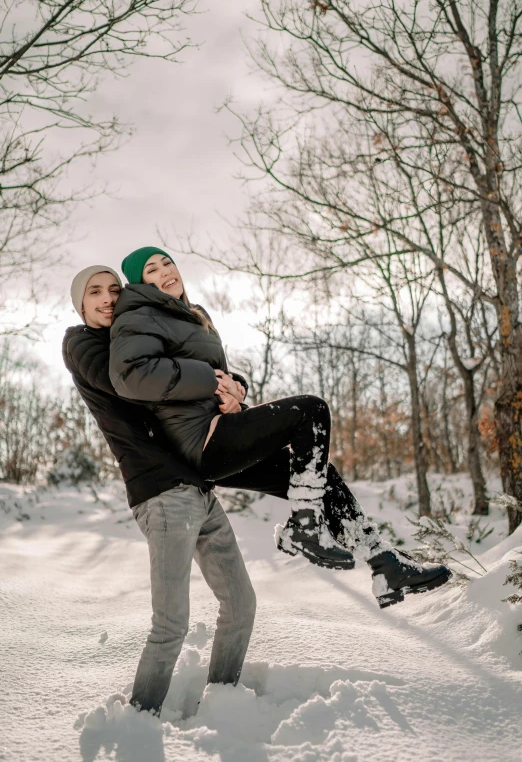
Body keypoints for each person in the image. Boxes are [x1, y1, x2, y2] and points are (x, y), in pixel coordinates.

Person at [109, 246, 452, 610]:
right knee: (310, 411)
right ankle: (305, 524)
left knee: (320, 478)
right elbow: (134, 376)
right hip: (200, 442)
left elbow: (206, 372)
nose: (165, 270)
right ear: (139, 283)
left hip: (219, 430)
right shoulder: (139, 316)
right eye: (152, 269)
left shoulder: (190, 315)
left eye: (167, 262)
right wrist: (211, 381)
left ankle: (385, 564)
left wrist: (235, 389)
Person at [62, 265, 257, 718]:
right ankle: (139, 720)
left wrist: (233, 385)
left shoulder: (133, 338)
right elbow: (128, 383)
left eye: (115, 290)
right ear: (81, 304)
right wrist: (203, 376)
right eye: (95, 292)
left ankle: (223, 698)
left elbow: (184, 365)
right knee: (171, 625)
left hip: (196, 487)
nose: (108, 298)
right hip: (159, 490)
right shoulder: (84, 344)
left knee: (241, 603)